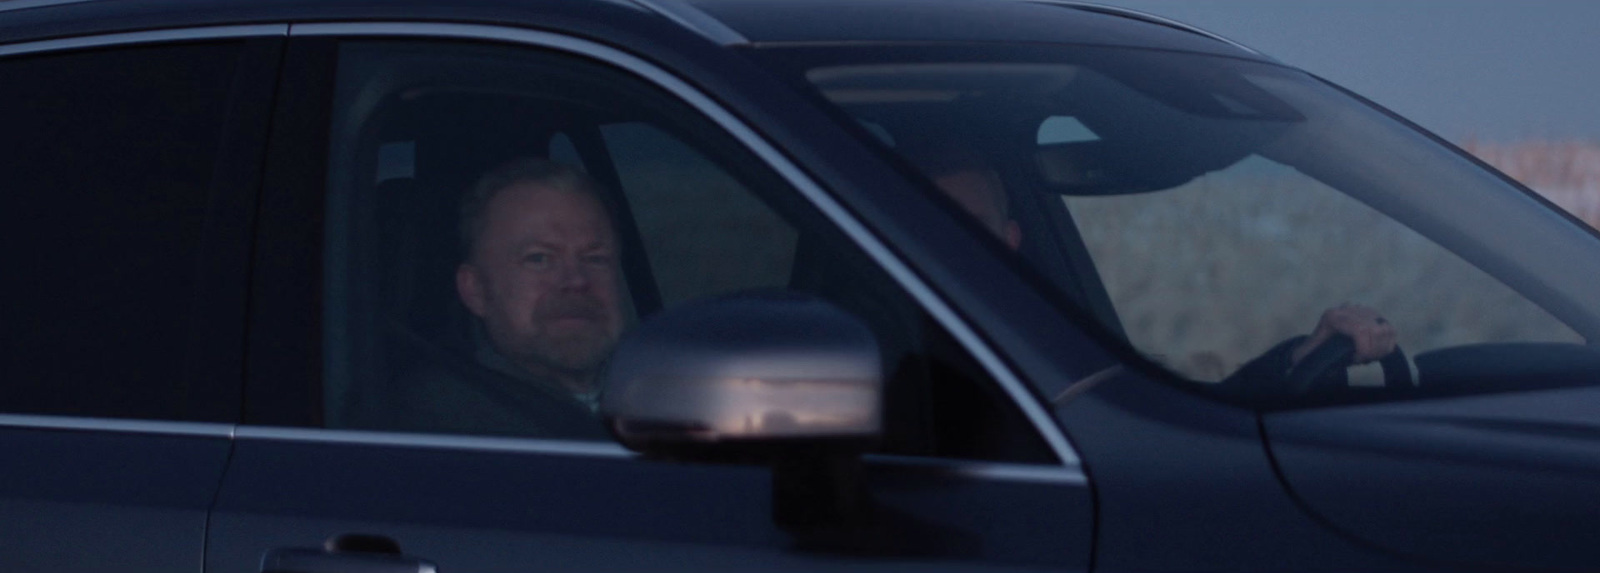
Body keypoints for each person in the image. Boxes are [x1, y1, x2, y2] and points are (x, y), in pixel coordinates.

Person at [906, 144, 1398, 390]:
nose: (951, 246)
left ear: (1011, 239)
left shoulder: (1049, 330)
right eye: (932, 228)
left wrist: (1301, 359)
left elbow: (1167, 415)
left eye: (967, 226)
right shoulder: (877, 343)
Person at [360, 158, 625, 438]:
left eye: (595, 259)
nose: (576, 281)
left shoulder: (658, 390)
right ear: (475, 291)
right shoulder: (443, 428)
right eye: (539, 258)